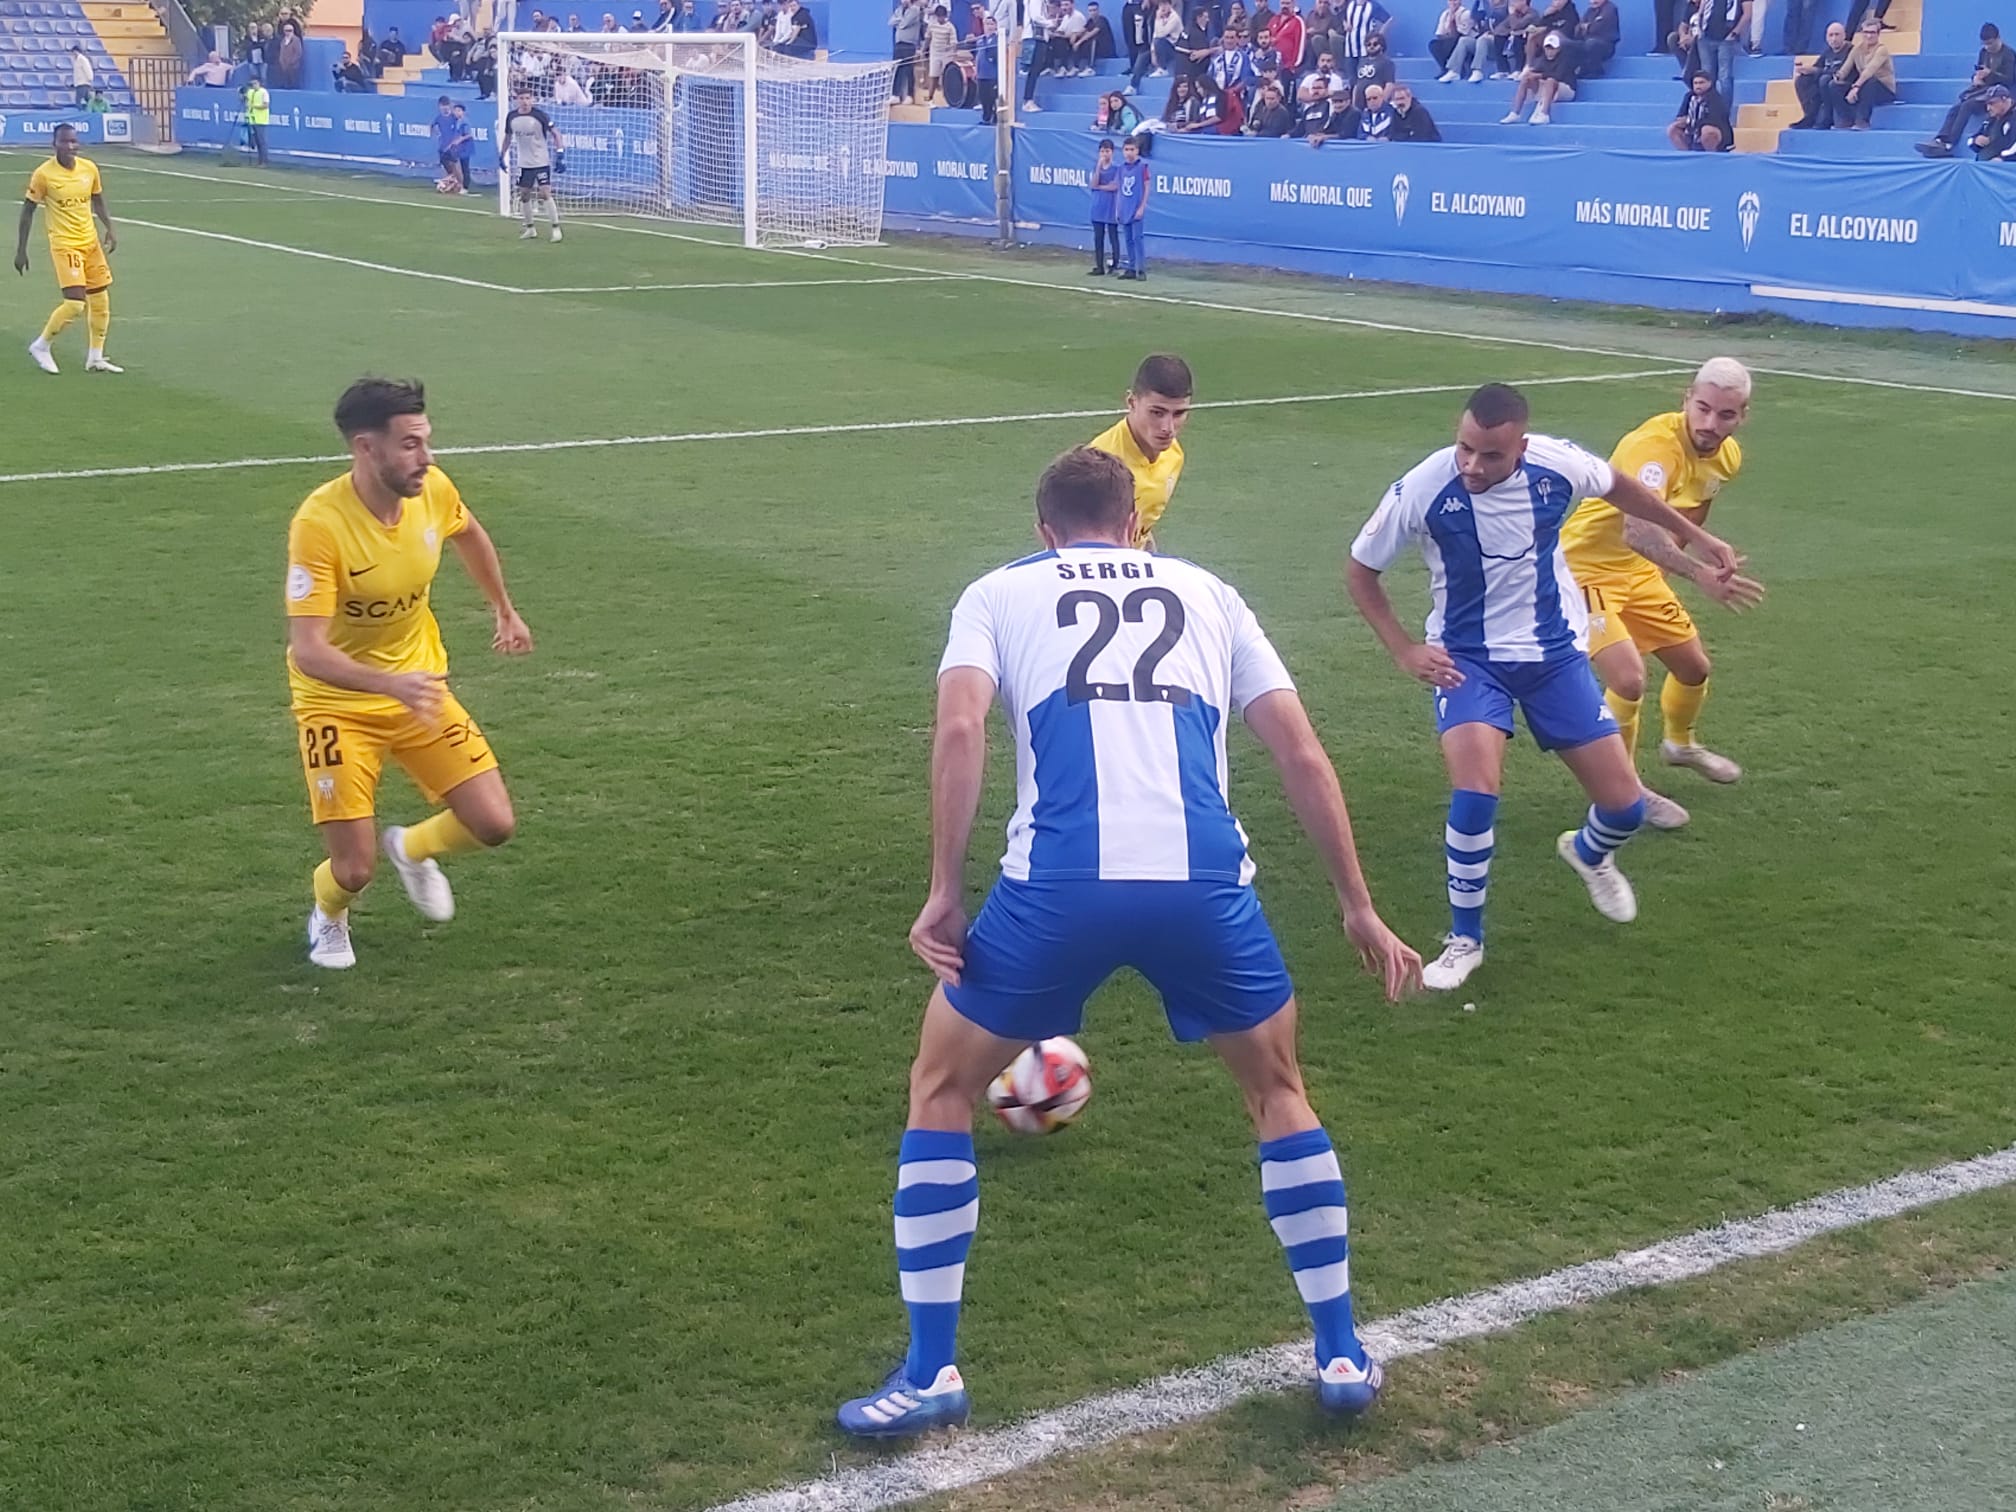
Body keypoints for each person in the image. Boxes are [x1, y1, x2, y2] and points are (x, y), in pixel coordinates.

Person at [834, 446, 1420, 1440]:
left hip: (1057, 888)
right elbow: (1300, 752)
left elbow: (963, 732)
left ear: (1044, 530)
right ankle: (1340, 1350)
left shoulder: (998, 593)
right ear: (1137, 523)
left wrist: (943, 889)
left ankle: (932, 1372)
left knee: (939, 1087)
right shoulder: (1209, 592)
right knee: (1278, 1091)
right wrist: (1357, 904)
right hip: (1203, 888)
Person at [1345, 384, 1743, 993]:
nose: (1473, 466)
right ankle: (1464, 939)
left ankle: (1587, 852)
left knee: (1625, 807)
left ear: (1522, 448)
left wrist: (1705, 540)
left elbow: (1621, 486)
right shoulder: (1425, 487)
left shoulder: (1556, 465)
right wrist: (1404, 649)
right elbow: (1361, 571)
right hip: (1470, 660)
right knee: (1475, 793)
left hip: (1554, 656)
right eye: (1465, 449)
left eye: (1491, 456)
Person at [285, 379, 532, 971]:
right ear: (366, 448)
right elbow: (308, 651)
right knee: (352, 870)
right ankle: (329, 915)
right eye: (411, 445)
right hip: (337, 704)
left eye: (426, 441)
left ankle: (413, 848)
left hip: (419, 689)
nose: (426, 458)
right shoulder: (320, 524)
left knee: (494, 824)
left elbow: (467, 532)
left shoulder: (433, 491)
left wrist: (502, 607)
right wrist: (389, 683)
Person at [1561, 361, 1764, 831]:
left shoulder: (1726, 456)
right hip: (1583, 571)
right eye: (1704, 409)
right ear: (1685, 399)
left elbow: (1694, 509)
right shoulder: (1653, 449)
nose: (1711, 425)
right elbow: (1637, 529)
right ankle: (1625, 790)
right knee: (1628, 678)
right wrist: (1699, 574)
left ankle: (1680, 743)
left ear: (1743, 416)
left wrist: (1687, 559)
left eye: (1726, 415)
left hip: (1640, 572)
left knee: (1694, 668)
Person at [14, 125, 119, 376]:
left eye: (74, 142)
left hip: (90, 242)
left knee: (101, 300)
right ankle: (41, 346)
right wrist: (21, 250)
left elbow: (97, 198)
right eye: (65, 142)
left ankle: (95, 357)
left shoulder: (89, 168)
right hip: (65, 244)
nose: (71, 146)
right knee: (75, 304)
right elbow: (27, 211)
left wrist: (110, 228)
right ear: (55, 144)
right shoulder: (44, 175)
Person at [1086, 354, 1189, 546]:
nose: (1168, 427)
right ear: (1132, 403)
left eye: (1179, 413)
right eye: (1157, 413)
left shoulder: (1173, 454)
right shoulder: (1099, 467)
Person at [1916, 23, 2015, 157]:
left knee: (1967, 106)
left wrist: (1990, 74)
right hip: (1984, 90)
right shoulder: (1984, 52)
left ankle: (1950, 144)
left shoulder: (2009, 54)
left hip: (2000, 93)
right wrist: (1976, 78)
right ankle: (1940, 139)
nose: (1988, 47)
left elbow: (2009, 80)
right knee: (1956, 107)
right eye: (1985, 44)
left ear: (1998, 38)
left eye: (1990, 43)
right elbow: (1979, 70)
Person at [504, 88, 565, 241]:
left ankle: (556, 228)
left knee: (545, 193)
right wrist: (501, 155)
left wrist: (560, 153)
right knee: (524, 195)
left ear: (532, 99)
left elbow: (556, 134)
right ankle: (530, 229)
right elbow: (507, 137)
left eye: (527, 98)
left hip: (541, 161)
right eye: (522, 98)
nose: (525, 101)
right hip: (524, 163)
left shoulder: (539, 115)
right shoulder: (511, 117)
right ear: (517, 99)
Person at [1829, 15, 1893, 130]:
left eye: (1872, 32)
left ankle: (1862, 121)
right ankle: (1845, 120)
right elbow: (1845, 69)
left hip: (1883, 89)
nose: (1869, 36)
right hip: (1862, 86)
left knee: (1870, 81)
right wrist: (1837, 77)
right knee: (1833, 86)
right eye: (1866, 32)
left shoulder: (1881, 50)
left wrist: (1856, 87)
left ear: (1878, 34)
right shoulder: (1857, 49)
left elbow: (1870, 71)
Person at [1503, 28, 1575, 123]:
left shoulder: (1565, 59)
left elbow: (1558, 76)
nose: (1549, 51)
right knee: (1526, 79)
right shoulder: (1542, 59)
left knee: (1550, 81)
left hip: (1567, 89)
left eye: (1552, 48)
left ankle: (1544, 114)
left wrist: (1538, 75)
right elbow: (1536, 71)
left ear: (1558, 48)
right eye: (1547, 48)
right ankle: (1515, 113)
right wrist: (1530, 74)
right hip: (1549, 88)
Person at [1788, 19, 1848, 127]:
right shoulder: (1828, 51)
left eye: (1837, 35)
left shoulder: (1849, 50)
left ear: (1844, 35)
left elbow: (1843, 71)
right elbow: (1817, 67)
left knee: (1824, 80)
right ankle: (1809, 116)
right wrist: (1805, 70)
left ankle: (1827, 118)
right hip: (1824, 82)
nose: (1834, 39)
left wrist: (1817, 71)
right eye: (1831, 35)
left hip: (1841, 84)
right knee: (1802, 80)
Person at [1696, 0, 1746, 104]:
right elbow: (1701, 8)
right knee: (1706, 74)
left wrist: (1734, 33)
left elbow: (1748, 12)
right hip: (1706, 37)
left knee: (1724, 77)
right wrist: (1699, 29)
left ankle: (1724, 114)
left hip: (1726, 38)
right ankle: (1706, 110)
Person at [1115, 135, 1151, 279]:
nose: (1129, 152)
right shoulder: (1121, 169)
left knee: (1138, 238)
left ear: (1137, 151)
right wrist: (1117, 209)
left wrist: (1142, 207)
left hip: (1136, 208)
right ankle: (1131, 267)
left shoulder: (1143, 167)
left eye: (1132, 149)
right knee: (1128, 239)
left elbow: (1147, 188)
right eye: (1126, 149)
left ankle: (1141, 269)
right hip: (1125, 207)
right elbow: (1119, 189)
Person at [1668, 67, 1732, 147]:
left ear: (1709, 83)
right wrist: (1682, 120)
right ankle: (1686, 154)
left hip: (1714, 132)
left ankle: (1710, 155)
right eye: (1695, 83)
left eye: (1701, 83)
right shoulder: (1689, 96)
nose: (1698, 86)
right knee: (1673, 128)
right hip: (1691, 129)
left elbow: (1715, 120)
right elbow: (1681, 115)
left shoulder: (1716, 98)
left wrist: (1691, 121)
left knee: (1707, 130)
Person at [1089, 139, 1122, 274]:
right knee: (1098, 237)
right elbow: (1093, 184)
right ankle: (1099, 266)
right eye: (1102, 151)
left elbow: (1114, 186)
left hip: (1111, 207)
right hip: (1098, 207)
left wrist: (1100, 187)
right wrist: (1098, 167)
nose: (1104, 154)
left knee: (1113, 236)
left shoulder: (1117, 169)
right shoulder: (1096, 168)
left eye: (1107, 151)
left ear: (1112, 152)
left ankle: (1115, 264)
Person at [1969, 82, 2016, 157]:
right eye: (1987, 104)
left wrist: (2002, 159)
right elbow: (1970, 141)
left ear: (2004, 99)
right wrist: (1976, 141)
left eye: (1992, 103)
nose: (1988, 108)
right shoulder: (1990, 120)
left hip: (2005, 167)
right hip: (1984, 165)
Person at [924, 4, 959, 99]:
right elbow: (928, 38)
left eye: (942, 16)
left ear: (945, 16)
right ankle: (930, 96)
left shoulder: (950, 27)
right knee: (933, 75)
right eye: (938, 16)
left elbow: (954, 43)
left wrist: (953, 54)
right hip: (935, 53)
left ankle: (947, 97)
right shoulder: (932, 25)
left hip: (946, 54)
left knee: (946, 76)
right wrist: (923, 50)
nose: (940, 19)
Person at [891, 0, 924, 103]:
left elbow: (904, 24)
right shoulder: (899, 10)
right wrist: (900, 19)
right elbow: (891, 22)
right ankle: (896, 95)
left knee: (908, 70)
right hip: (898, 44)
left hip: (909, 44)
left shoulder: (915, 10)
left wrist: (899, 20)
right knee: (897, 70)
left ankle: (910, 95)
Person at [432, 96, 465, 188]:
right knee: (447, 166)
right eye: (443, 105)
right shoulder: (438, 118)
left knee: (456, 165)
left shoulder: (453, 116)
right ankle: (452, 183)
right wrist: (436, 133)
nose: (445, 107)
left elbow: (461, 118)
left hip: (453, 146)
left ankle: (462, 186)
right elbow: (432, 126)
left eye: (447, 105)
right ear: (439, 106)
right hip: (443, 146)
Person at [243, 77, 271, 166]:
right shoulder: (250, 92)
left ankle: (264, 161)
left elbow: (265, 105)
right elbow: (244, 99)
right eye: (252, 84)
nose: (253, 85)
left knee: (262, 142)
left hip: (261, 120)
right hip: (252, 119)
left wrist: (254, 106)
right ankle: (260, 161)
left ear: (259, 83)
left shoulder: (264, 92)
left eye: (255, 83)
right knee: (256, 142)